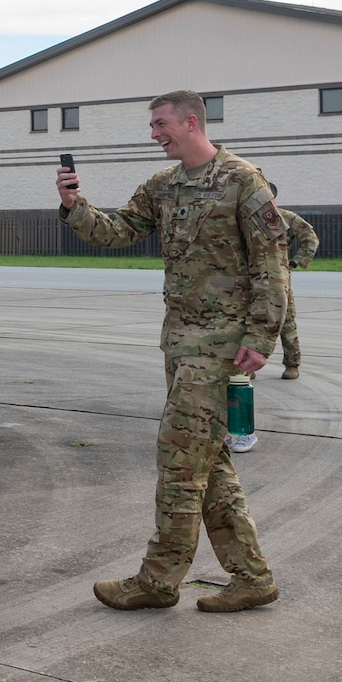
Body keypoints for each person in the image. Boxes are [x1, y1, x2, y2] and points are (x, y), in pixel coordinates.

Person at [59, 89, 284, 614]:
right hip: (179, 343)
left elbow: (271, 265)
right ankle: (253, 576)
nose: (154, 133)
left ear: (189, 122)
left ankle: (158, 581)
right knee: (210, 462)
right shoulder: (164, 186)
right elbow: (117, 232)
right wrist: (74, 205)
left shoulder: (243, 181)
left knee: (180, 460)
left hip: (220, 345)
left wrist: (261, 337)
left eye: (160, 124)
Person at [270, 182, 318, 380]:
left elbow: (310, 238)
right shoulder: (244, 218)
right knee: (248, 321)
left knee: (286, 320)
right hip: (250, 277)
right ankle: (247, 366)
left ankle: (292, 364)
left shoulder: (287, 218)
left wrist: (297, 262)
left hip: (279, 277)